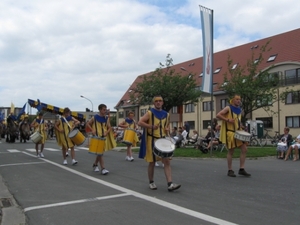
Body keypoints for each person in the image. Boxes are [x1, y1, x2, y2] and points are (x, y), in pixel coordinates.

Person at [138, 95, 181, 192]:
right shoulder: (150, 113)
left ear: (162, 102)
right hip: (151, 140)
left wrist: (167, 130)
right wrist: (151, 126)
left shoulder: (166, 114)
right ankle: (151, 182)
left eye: (160, 101)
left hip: (162, 140)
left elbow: (166, 127)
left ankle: (170, 184)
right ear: (154, 103)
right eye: (156, 101)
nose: (158, 102)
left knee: (167, 161)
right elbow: (140, 122)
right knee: (152, 162)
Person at [216, 94, 251, 177]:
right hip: (230, 133)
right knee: (231, 151)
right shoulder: (228, 108)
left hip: (238, 131)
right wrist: (227, 120)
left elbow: (237, 120)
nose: (239, 101)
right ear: (233, 100)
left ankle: (241, 169)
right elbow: (218, 115)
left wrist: (241, 125)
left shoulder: (239, 109)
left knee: (244, 149)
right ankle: (230, 170)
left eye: (239, 99)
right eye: (237, 99)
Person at [86, 104, 116, 174]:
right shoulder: (95, 117)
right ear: (100, 110)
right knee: (100, 153)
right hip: (96, 137)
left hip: (103, 137)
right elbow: (88, 124)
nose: (105, 111)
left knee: (100, 152)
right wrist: (92, 130)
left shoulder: (106, 118)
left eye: (105, 109)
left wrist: (106, 132)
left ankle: (95, 164)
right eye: (103, 109)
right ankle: (103, 168)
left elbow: (109, 128)